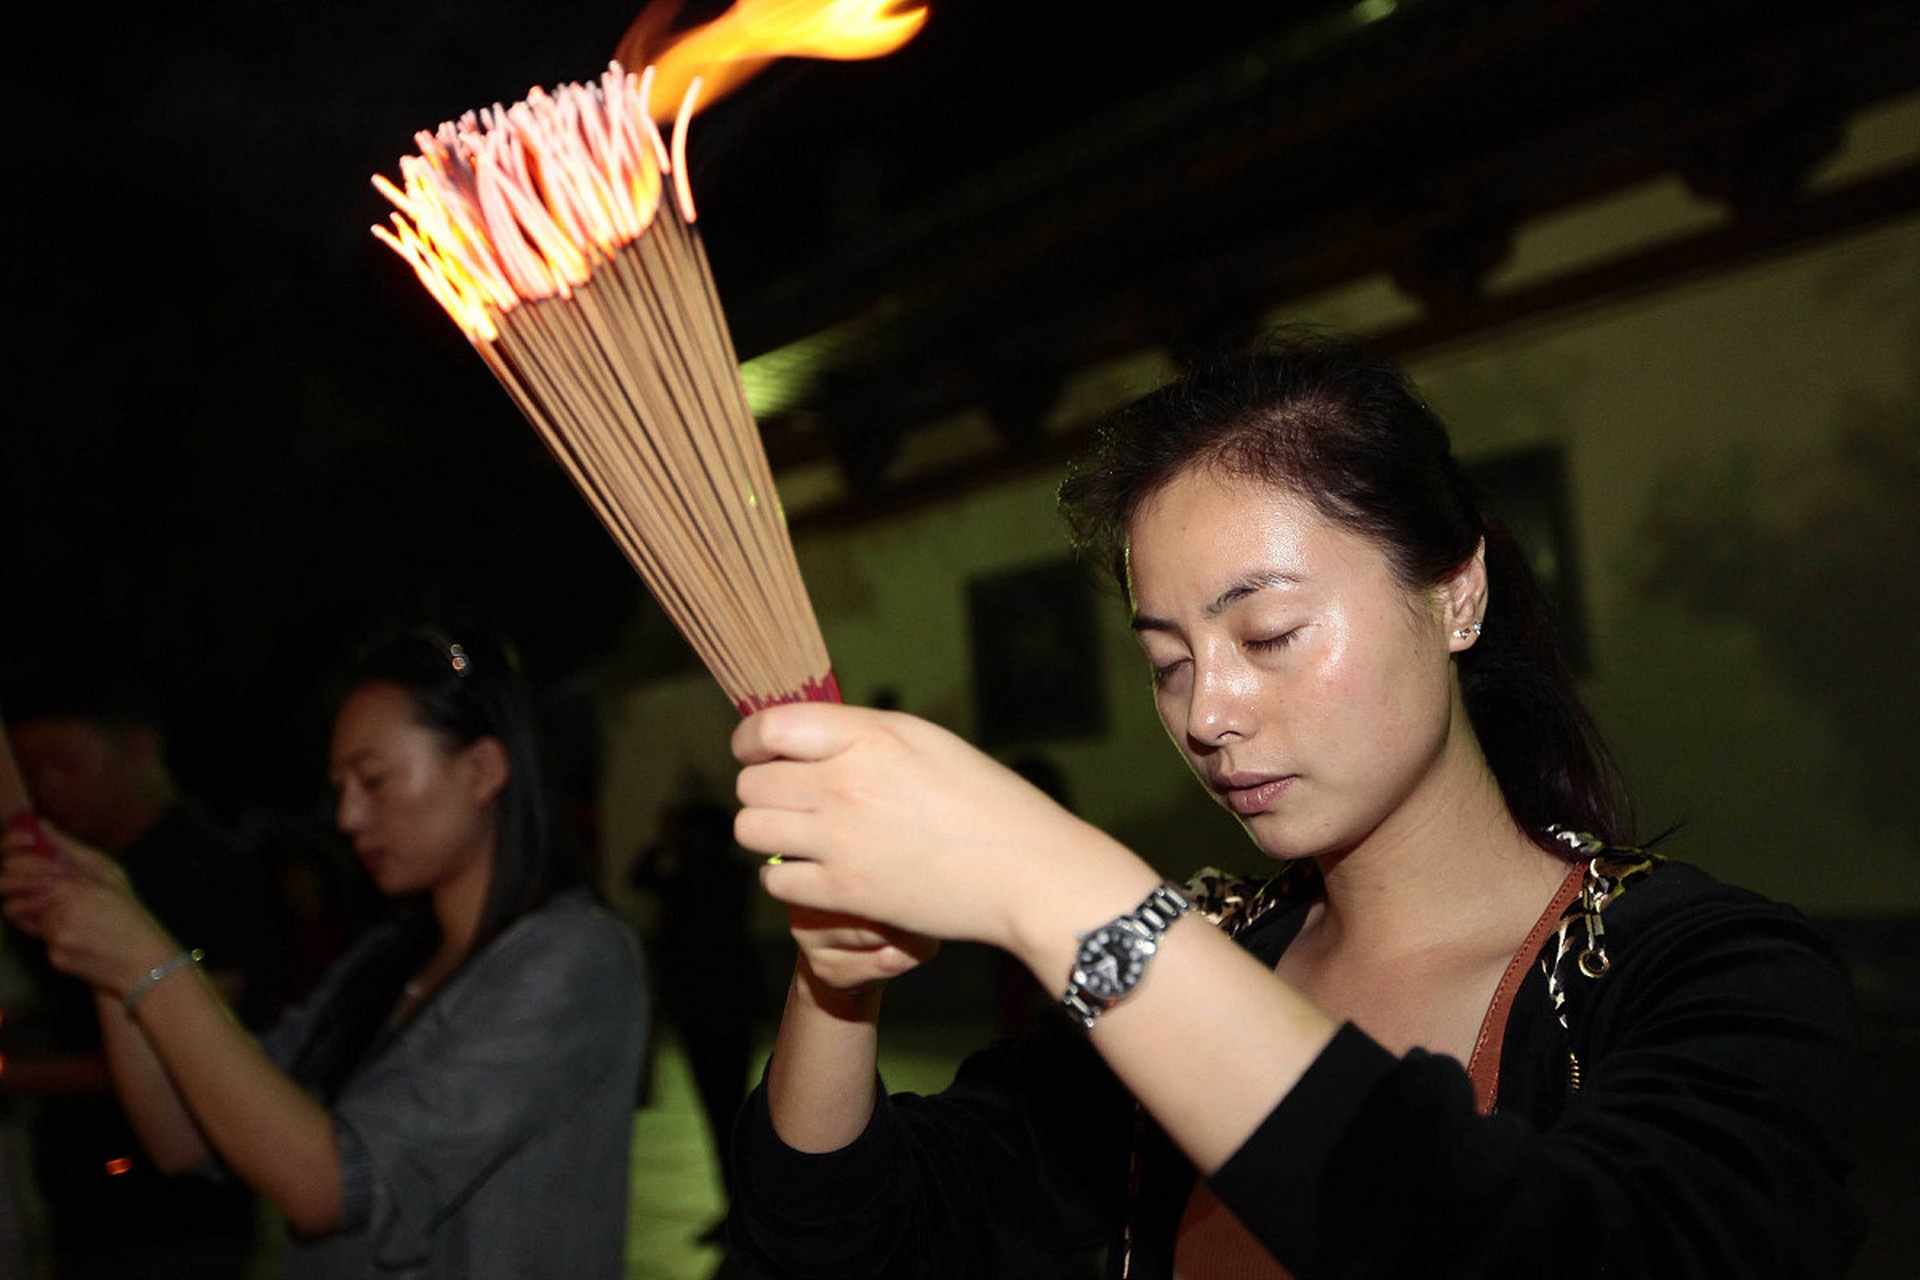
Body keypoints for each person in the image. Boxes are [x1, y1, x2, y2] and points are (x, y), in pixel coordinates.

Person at [721, 334, 1864, 1278]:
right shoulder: (1210, 958)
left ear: (1454, 591)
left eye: (1268, 634)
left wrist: (1055, 883)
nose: (1208, 711)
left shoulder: (1712, 973)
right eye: (1168, 660)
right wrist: (837, 981)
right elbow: (846, 1232)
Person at [1, 624, 650, 1279]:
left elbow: (330, 1189)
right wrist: (109, 955)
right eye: (340, 787)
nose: (348, 818)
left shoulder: (573, 957)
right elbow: (183, 1136)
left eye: (373, 780)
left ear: (483, 769)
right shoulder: (386, 959)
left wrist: (144, 958)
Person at [1, 678, 279, 1278]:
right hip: (83, 1201)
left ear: (138, 748)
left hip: (176, 1218)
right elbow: (71, 1005)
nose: (47, 786)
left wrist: (14, 1074)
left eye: (63, 762)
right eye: (30, 770)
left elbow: (204, 1053)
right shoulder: (89, 867)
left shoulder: (210, 870)